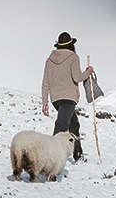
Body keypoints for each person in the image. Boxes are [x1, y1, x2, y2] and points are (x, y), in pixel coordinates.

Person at [41, 31, 94, 162]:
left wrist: (45, 103)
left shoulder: (49, 60)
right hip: (69, 97)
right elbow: (77, 77)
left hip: (56, 99)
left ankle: (78, 153)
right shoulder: (73, 57)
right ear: (71, 45)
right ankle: (51, 157)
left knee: (74, 124)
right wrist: (88, 72)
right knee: (61, 127)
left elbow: (45, 83)